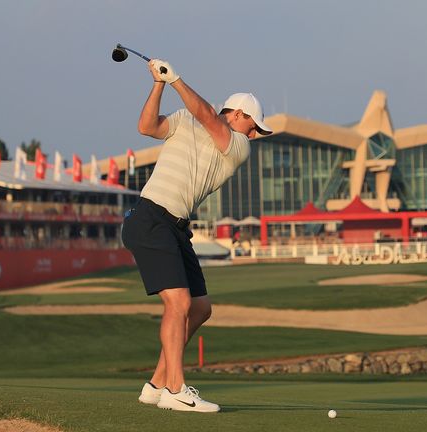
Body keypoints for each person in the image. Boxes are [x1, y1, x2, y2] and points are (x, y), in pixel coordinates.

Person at [121, 58, 271, 413]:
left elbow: (206, 116)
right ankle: (175, 389)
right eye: (254, 126)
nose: (254, 135)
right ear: (237, 114)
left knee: (200, 308)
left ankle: (157, 383)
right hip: (150, 217)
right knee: (179, 304)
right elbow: (146, 126)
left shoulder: (237, 146)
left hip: (174, 227)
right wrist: (159, 83)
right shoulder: (185, 119)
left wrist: (175, 80)